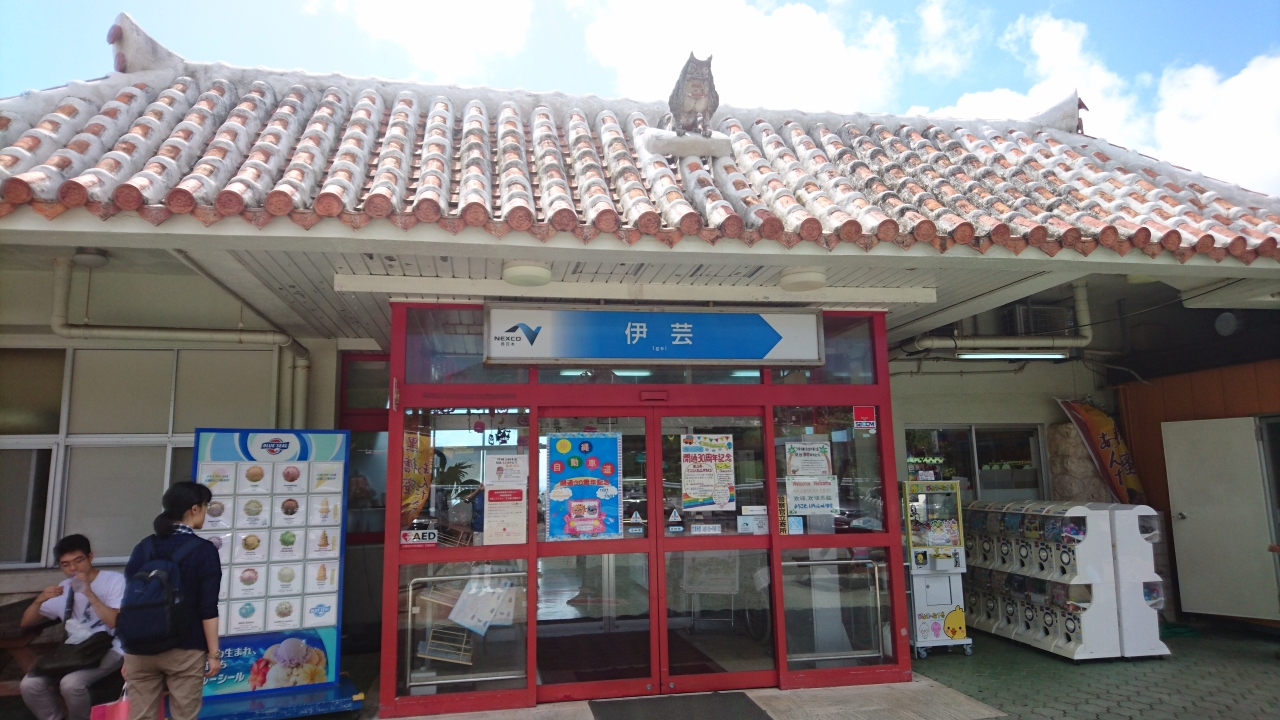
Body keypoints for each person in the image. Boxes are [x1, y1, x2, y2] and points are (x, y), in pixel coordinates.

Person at [121, 482, 222, 720]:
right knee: (184, 716)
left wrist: (127, 652)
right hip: (185, 648)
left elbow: (129, 599)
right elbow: (207, 608)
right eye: (205, 506)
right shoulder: (204, 551)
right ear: (194, 509)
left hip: (139, 648)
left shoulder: (144, 547)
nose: (206, 512)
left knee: (140, 716)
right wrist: (214, 654)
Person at [18, 535, 125, 720]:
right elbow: (26, 623)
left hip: (110, 647)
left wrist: (89, 593)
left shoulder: (115, 581)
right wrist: (39, 600)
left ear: (90, 557)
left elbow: (115, 622)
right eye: (65, 564)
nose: (73, 568)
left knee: (71, 684)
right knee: (29, 685)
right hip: (76, 651)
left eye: (78, 561)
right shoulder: (64, 587)